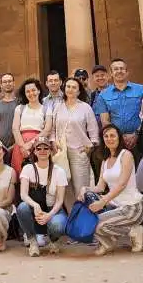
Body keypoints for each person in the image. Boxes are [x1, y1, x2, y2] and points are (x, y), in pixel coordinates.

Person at [93, 58, 143, 243]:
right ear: (111, 74)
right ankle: (126, 226)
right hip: (117, 145)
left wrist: (136, 134)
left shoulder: (140, 90)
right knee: (120, 184)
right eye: (115, 69)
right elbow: (105, 122)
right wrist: (119, 139)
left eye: (122, 68)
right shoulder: (104, 95)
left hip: (140, 141)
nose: (119, 71)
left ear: (127, 72)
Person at [80, 124, 143, 256]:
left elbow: (121, 185)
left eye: (112, 135)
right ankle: (108, 243)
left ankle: (134, 231)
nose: (109, 139)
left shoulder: (126, 155)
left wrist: (102, 202)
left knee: (96, 224)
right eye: (106, 136)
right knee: (88, 217)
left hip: (131, 207)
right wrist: (85, 189)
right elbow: (100, 187)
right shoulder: (106, 160)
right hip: (115, 206)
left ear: (119, 138)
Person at [50, 77, 98, 214]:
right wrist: (53, 142)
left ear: (78, 91)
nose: (70, 89)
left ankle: (85, 218)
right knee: (65, 188)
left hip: (79, 151)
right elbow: (53, 129)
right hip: (61, 153)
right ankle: (73, 219)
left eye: (74, 87)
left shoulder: (85, 107)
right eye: (68, 86)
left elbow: (93, 130)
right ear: (64, 89)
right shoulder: (58, 107)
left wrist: (91, 145)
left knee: (81, 187)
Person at [17, 135, 69, 256]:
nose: (42, 151)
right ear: (34, 151)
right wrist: (34, 205)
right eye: (39, 148)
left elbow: (60, 200)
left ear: (50, 151)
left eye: (46, 148)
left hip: (53, 210)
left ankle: (53, 240)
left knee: (57, 224)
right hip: (35, 212)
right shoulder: (28, 168)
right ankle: (32, 242)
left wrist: (49, 215)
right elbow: (23, 194)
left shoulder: (59, 171)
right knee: (22, 207)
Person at [11, 77, 54, 174]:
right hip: (20, 146)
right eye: (28, 91)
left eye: (33, 90)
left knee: (37, 175)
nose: (31, 93)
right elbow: (15, 129)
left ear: (38, 91)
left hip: (39, 146)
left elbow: (47, 129)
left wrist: (31, 144)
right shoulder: (20, 108)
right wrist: (23, 147)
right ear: (25, 94)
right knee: (20, 175)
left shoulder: (47, 109)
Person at [0, 72, 19, 165]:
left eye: (10, 81)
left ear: (14, 83)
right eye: (5, 82)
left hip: (18, 146)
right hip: (1, 149)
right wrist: (0, 145)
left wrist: (16, 144)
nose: (8, 83)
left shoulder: (20, 103)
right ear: (1, 85)